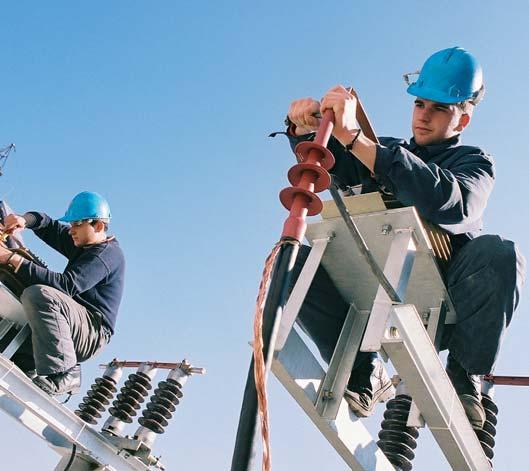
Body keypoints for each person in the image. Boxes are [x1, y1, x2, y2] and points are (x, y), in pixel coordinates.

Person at [283, 47, 525, 429]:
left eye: (439, 108)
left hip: (445, 300)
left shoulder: (474, 162)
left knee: (500, 253)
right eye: (420, 104)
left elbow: (450, 202)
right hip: (372, 285)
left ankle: (464, 378)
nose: (424, 115)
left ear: (462, 119)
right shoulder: (386, 149)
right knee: (292, 264)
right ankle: (361, 375)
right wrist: (303, 128)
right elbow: (339, 163)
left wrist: (360, 142)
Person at [0, 191, 125, 395]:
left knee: (38, 294)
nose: (71, 230)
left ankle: (67, 371)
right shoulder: (81, 241)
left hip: (92, 331)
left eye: (77, 225)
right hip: (69, 321)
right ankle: (32, 363)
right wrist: (24, 220)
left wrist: (11, 258)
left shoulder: (106, 254)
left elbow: (66, 286)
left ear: (98, 226)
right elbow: (46, 223)